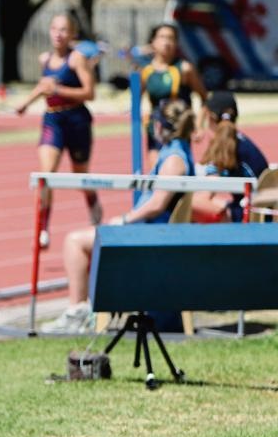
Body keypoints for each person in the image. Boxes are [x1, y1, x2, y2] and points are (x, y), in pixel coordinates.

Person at [42, 99, 196, 333]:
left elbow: (157, 203)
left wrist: (126, 219)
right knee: (86, 238)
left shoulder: (174, 159)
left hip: (153, 234)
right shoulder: (178, 151)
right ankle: (84, 308)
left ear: (161, 126)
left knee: (75, 241)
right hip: (155, 231)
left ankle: (78, 312)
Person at [16, 13, 103, 250]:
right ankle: (43, 227)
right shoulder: (44, 58)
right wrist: (26, 102)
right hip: (52, 119)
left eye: (64, 30)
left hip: (76, 119)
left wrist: (61, 90)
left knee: (79, 175)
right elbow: (45, 85)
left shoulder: (77, 60)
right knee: (47, 175)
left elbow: (90, 93)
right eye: (54, 28)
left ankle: (92, 202)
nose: (58, 34)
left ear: (72, 34)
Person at [192, 90, 268, 223]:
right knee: (214, 202)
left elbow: (204, 195)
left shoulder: (223, 145)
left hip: (249, 215)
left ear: (209, 117)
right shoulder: (241, 141)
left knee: (191, 204)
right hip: (263, 210)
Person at [140, 22, 208, 170]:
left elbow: (204, 97)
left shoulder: (185, 69)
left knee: (177, 174)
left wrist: (199, 125)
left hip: (179, 129)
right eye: (162, 37)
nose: (167, 42)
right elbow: (135, 100)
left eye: (171, 38)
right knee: (156, 174)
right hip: (156, 128)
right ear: (153, 42)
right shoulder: (145, 71)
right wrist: (143, 117)